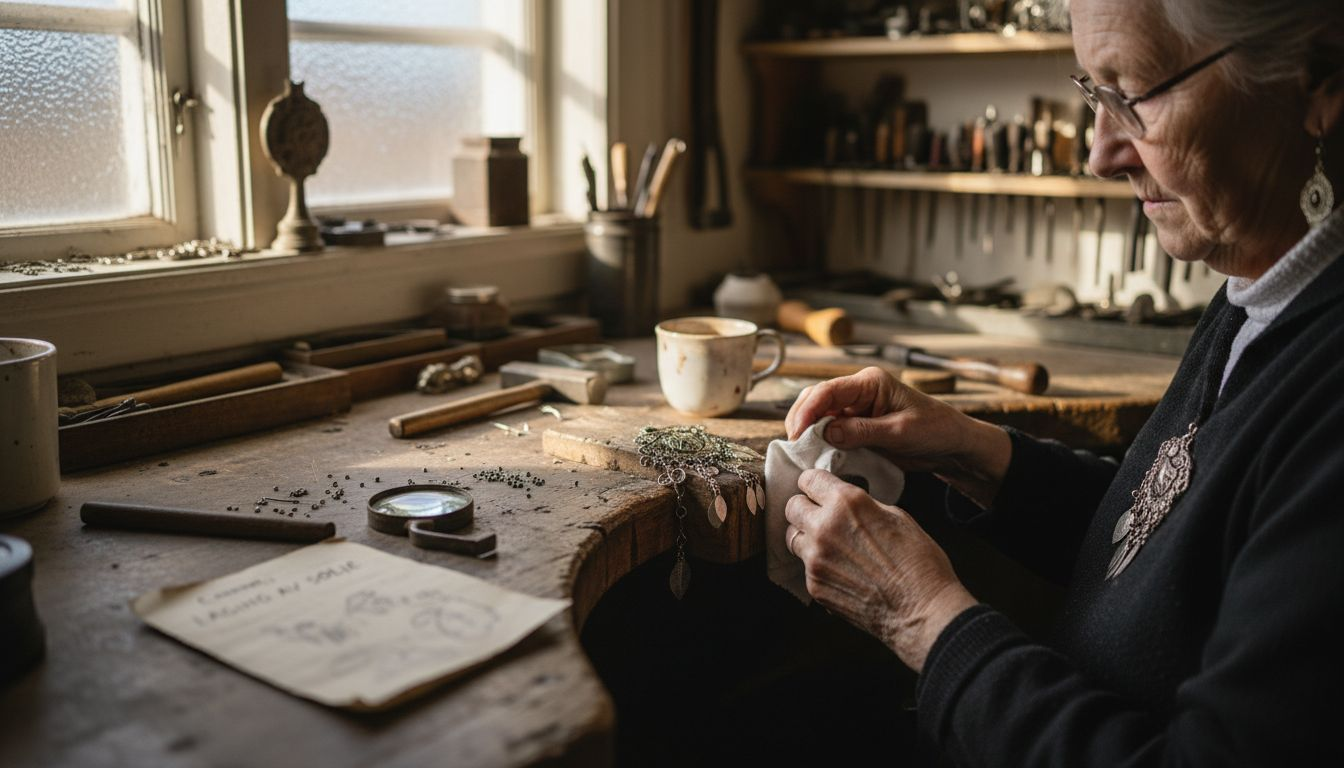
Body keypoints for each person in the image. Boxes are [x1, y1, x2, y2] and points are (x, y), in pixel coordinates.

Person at [781, 0, 1344, 764]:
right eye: (1092, 94)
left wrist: (924, 620)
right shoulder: (1258, 296)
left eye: (1134, 94)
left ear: (1318, 80)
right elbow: (1178, 548)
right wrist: (979, 454)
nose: (1100, 154)